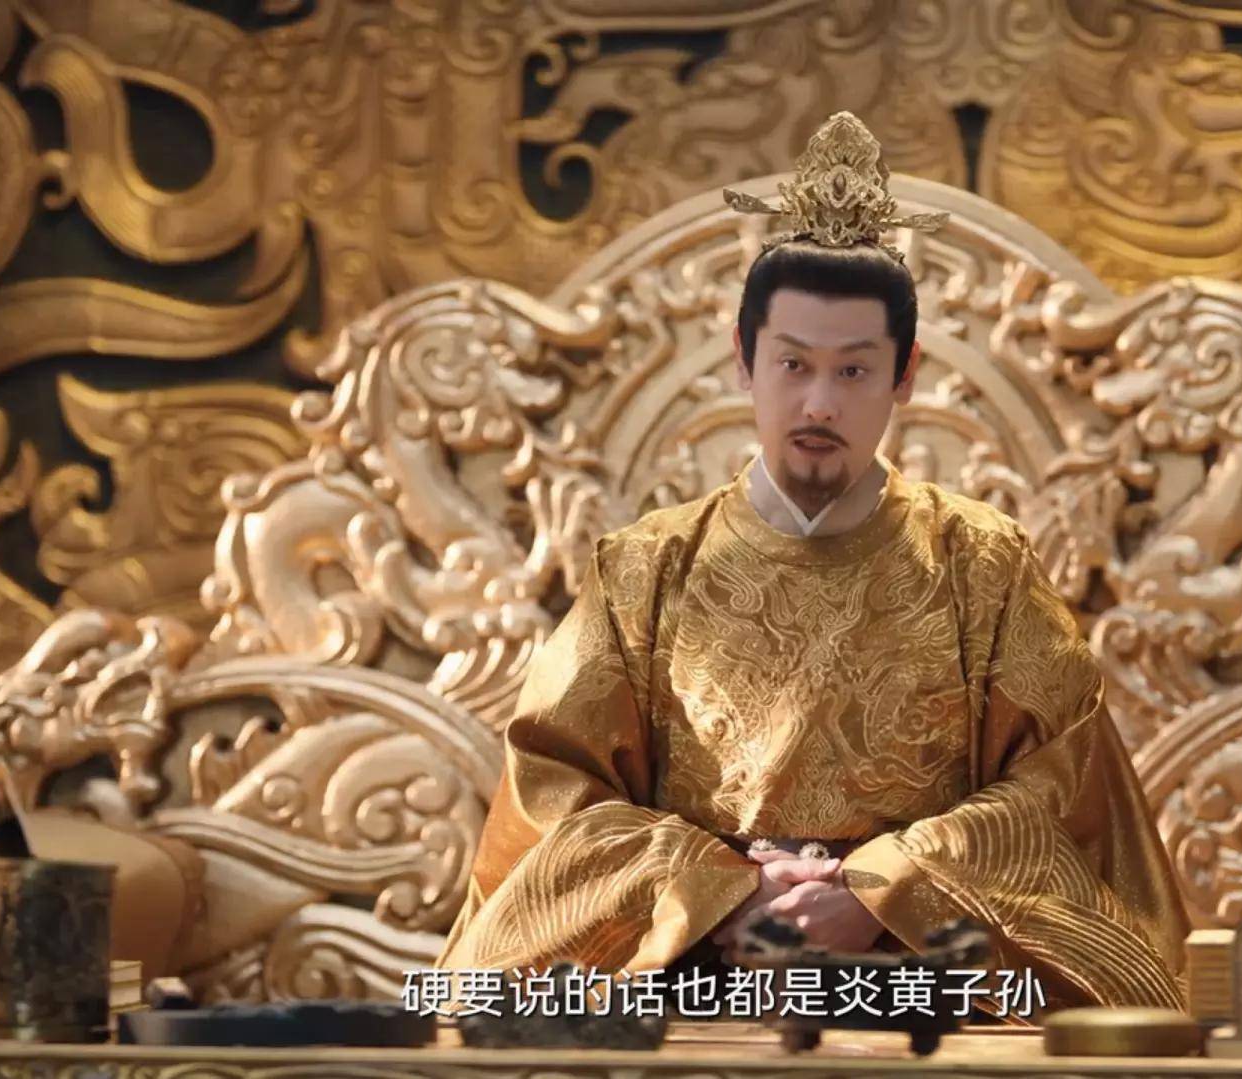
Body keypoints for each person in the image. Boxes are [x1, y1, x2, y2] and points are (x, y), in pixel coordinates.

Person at [435, 112, 1188, 1012]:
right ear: (744, 360)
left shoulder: (982, 564)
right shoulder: (643, 571)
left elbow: (1059, 787)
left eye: (854, 371)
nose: (819, 403)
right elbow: (555, 798)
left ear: (905, 375)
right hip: (696, 986)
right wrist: (722, 890)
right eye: (793, 365)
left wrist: (882, 889)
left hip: (926, 991)